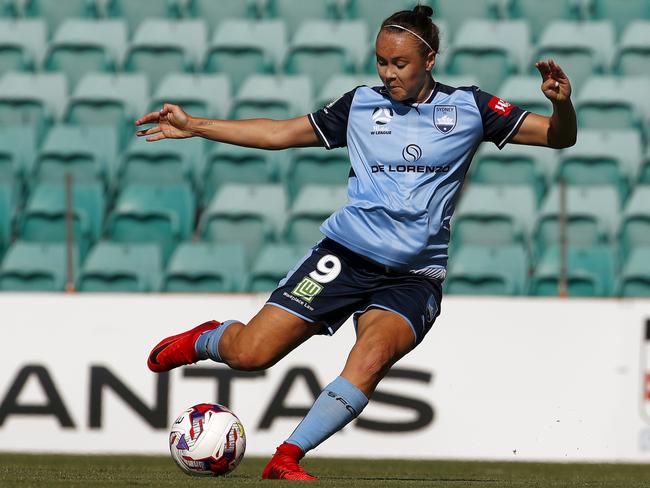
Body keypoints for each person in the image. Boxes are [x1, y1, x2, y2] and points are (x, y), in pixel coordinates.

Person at [136, 5, 576, 480]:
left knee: (371, 358)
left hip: (413, 277)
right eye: (381, 62)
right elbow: (280, 133)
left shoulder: (471, 108)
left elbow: (559, 138)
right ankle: (209, 338)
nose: (388, 73)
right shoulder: (361, 105)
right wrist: (197, 125)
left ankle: (287, 457)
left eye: (400, 63)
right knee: (250, 356)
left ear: (430, 59)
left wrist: (562, 104)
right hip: (342, 258)